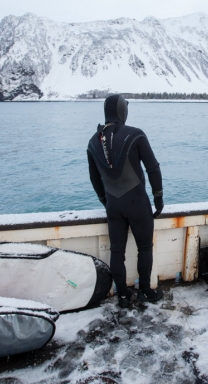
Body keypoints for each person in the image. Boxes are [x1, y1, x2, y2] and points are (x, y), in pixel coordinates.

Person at [87, 94, 164, 308]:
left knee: (117, 252)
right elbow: (153, 168)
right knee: (145, 248)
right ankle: (145, 292)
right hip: (138, 203)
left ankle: (122, 296)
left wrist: (105, 201)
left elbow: (94, 179)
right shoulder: (136, 135)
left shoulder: (93, 142)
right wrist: (158, 199)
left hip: (113, 205)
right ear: (123, 111)